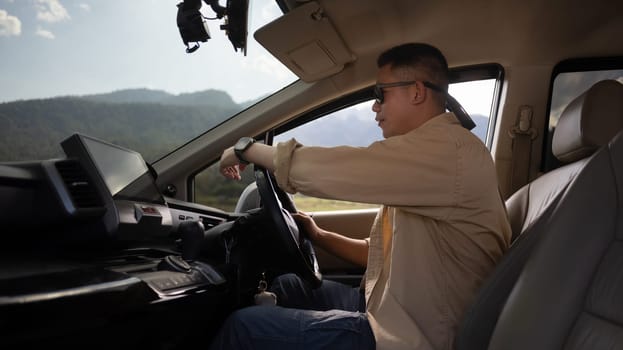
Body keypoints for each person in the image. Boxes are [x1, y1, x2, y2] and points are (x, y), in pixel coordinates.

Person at [211, 43, 511, 350]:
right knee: (288, 286)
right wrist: (317, 234)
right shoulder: (424, 160)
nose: (374, 107)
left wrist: (246, 149)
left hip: (413, 336)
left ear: (417, 92)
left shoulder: (450, 153)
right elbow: (380, 255)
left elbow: (337, 169)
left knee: (243, 328)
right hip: (386, 308)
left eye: (381, 94)